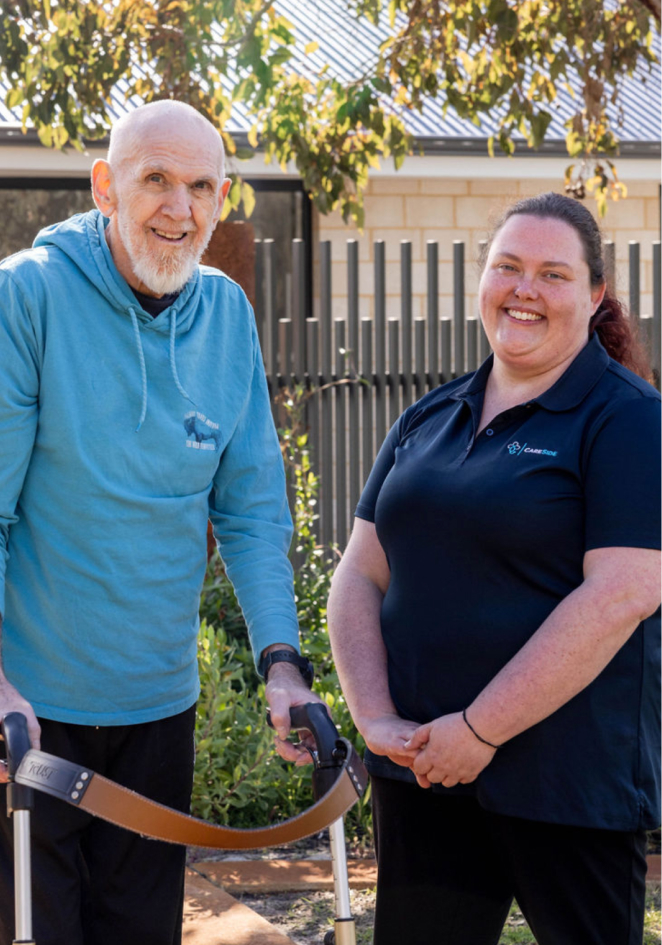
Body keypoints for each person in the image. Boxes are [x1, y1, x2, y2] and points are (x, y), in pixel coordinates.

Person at [0, 100, 318, 945]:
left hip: (158, 710)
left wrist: (281, 664)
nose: (180, 209)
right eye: (156, 181)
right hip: (31, 712)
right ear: (106, 186)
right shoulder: (26, 295)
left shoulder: (224, 315)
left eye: (202, 187)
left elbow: (250, 512)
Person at [327, 192, 661, 945]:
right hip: (424, 779)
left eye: (552, 273)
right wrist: (376, 717)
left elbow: (623, 592)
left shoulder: (629, 419)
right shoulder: (427, 418)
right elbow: (359, 572)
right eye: (508, 267)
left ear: (594, 292)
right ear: (483, 278)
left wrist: (480, 729)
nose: (525, 289)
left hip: (567, 789)